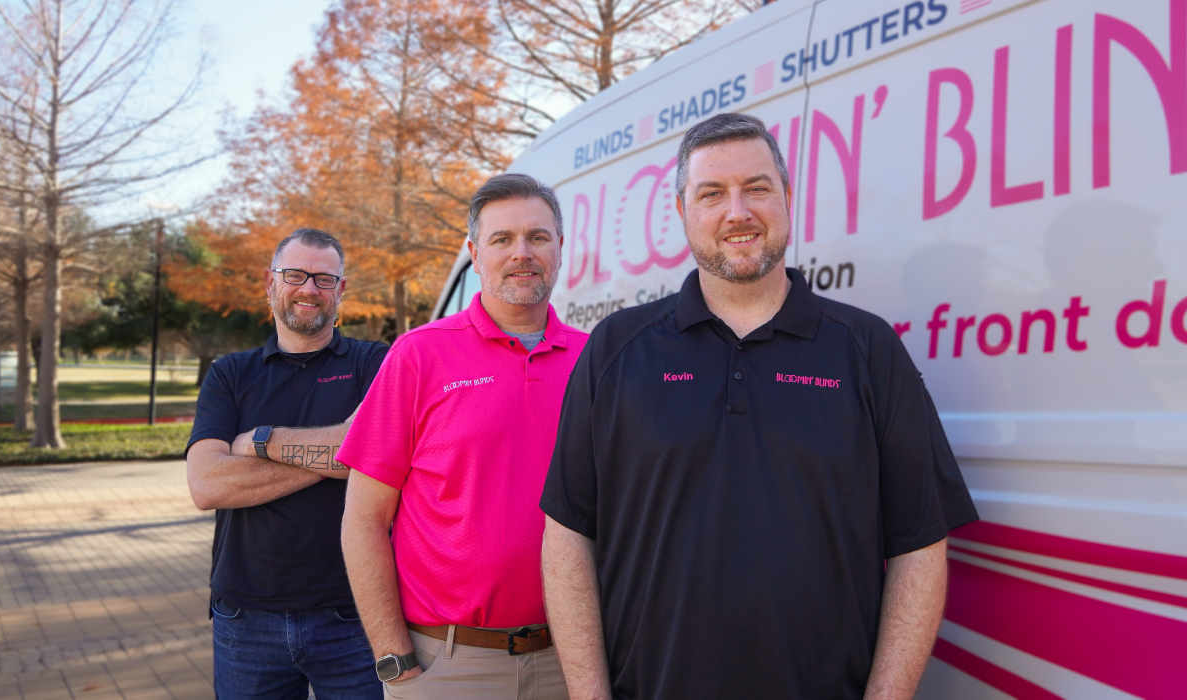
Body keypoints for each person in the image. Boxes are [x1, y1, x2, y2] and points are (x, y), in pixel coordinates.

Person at [540, 113, 978, 700]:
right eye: (712, 194)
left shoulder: (867, 350)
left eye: (758, 188)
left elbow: (919, 542)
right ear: (682, 212)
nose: (737, 212)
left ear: (788, 198)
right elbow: (569, 532)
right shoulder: (618, 349)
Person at [338, 173, 587, 700]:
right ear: (475, 253)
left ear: (560, 248)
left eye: (538, 237)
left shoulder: (597, 360)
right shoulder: (418, 356)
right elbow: (363, 520)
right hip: (448, 667)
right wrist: (394, 660)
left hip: (574, 661)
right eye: (502, 239)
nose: (522, 253)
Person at [186, 228, 389, 699]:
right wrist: (341, 450)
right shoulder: (230, 374)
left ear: (342, 290)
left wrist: (261, 440)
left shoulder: (374, 363)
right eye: (295, 274)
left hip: (355, 613)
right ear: (270, 282)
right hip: (245, 618)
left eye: (323, 278)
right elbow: (207, 484)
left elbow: (381, 456)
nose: (308, 289)